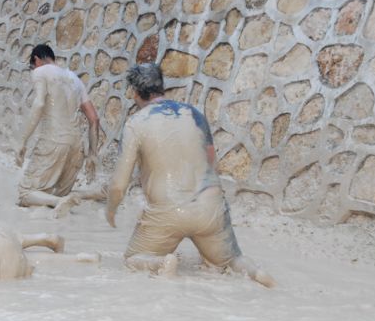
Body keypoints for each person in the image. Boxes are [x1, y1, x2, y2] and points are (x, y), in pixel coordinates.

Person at [106, 63, 275, 288]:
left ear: (134, 92)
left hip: (167, 212)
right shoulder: (194, 113)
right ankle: (255, 272)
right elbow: (212, 160)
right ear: (161, 87)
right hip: (209, 207)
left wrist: (111, 209)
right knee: (230, 261)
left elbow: (119, 184)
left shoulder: (135, 123)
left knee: (132, 260)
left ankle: (161, 264)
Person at [16, 44, 103, 218]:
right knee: (52, 194)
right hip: (76, 148)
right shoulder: (74, 79)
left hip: (53, 141)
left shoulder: (40, 72)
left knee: (26, 194)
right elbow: (94, 119)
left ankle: (60, 202)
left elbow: (39, 104)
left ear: (36, 59)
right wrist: (92, 154)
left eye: (32, 66)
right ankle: (91, 193)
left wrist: (22, 141)